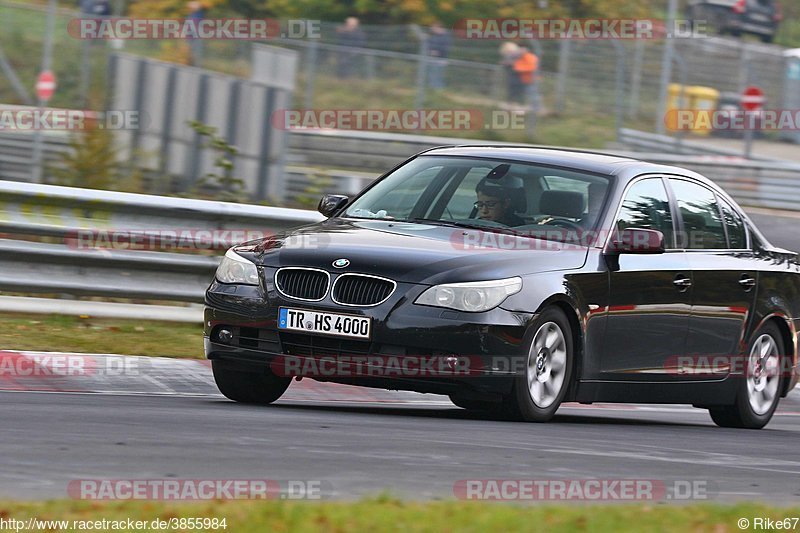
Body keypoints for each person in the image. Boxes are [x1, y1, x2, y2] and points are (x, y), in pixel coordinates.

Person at [427, 21, 450, 89]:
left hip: (441, 59)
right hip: (432, 58)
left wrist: (438, 52)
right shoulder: (434, 36)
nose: (432, 30)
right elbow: (429, 45)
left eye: (434, 28)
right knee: (432, 74)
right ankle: (432, 88)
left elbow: (446, 48)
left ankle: (439, 89)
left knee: (438, 75)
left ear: (438, 28)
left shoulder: (446, 36)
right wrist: (430, 51)